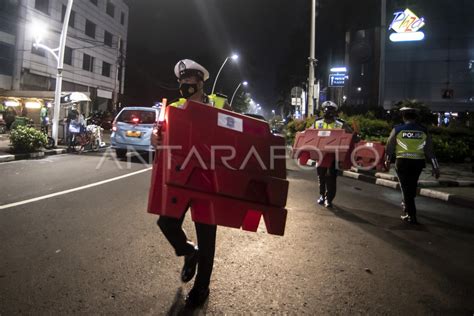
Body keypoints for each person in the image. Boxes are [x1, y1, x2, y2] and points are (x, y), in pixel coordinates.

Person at [154, 59, 229, 307]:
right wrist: (156, 139)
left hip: (210, 179)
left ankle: (201, 289)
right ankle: (188, 251)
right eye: (182, 81)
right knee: (166, 221)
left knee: (207, 235)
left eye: (190, 81)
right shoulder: (174, 107)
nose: (185, 85)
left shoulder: (219, 104)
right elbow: (161, 139)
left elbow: (235, 133)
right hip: (181, 177)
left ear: (200, 82)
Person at [384, 107, 440, 224]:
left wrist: (387, 160)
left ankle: (411, 215)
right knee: (412, 185)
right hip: (418, 163)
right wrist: (435, 166)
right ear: (416, 117)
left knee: (405, 187)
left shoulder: (398, 129)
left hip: (402, 162)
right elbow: (430, 151)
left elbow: (390, 146)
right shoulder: (423, 131)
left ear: (403, 117)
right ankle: (407, 207)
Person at [312, 101, 353, 208]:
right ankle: (322, 195)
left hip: (334, 156)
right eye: (326, 109)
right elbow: (309, 134)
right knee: (321, 176)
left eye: (330, 110)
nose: (328, 112)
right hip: (321, 155)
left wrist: (354, 136)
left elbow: (350, 135)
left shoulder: (340, 124)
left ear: (334, 112)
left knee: (331, 178)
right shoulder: (317, 123)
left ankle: (329, 199)